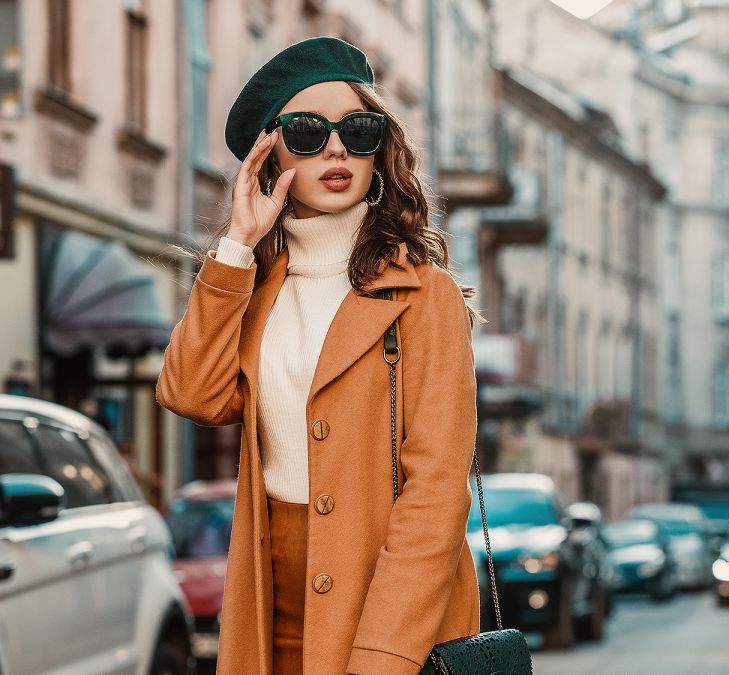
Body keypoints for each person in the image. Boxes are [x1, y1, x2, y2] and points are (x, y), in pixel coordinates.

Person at [156, 36, 484, 674]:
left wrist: (384, 655)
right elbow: (190, 393)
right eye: (306, 132)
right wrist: (236, 246)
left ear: (378, 149)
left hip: (393, 612)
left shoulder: (423, 294)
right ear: (269, 154)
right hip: (269, 606)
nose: (335, 148)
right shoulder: (255, 288)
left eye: (357, 129)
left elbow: (437, 491)